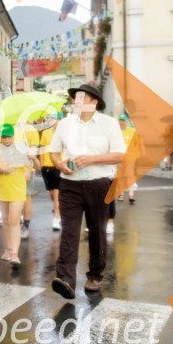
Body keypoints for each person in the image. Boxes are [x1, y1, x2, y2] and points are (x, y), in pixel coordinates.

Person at [49, 84, 126, 298]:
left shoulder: (108, 124)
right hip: (69, 183)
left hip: (99, 183)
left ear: (94, 103)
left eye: (82, 98)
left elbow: (120, 154)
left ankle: (95, 275)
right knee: (69, 232)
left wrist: (93, 159)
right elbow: (53, 152)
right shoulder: (64, 124)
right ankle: (66, 280)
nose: (77, 101)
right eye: (75, 98)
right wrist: (60, 164)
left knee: (97, 231)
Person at [0, 124, 38, 269]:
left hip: (18, 190)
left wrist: (33, 158)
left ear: (13, 136)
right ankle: (8, 249)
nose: (6, 140)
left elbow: (37, 167)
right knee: (6, 220)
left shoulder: (22, 149)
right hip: (2, 189)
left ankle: (15, 253)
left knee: (14, 220)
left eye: (8, 137)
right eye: (3, 137)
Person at [15, 121, 41, 239]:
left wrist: (28, 169)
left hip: (26, 169)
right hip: (12, 169)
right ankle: (16, 224)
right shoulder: (9, 127)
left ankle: (26, 225)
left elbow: (33, 153)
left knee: (26, 198)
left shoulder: (31, 130)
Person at [39, 112, 62, 231]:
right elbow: (42, 149)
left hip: (57, 165)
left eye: (56, 119)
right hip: (46, 167)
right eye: (52, 119)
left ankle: (56, 218)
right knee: (51, 194)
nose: (54, 122)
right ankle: (58, 207)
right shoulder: (45, 133)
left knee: (57, 193)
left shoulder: (63, 133)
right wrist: (42, 164)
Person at [117, 114, 141, 206]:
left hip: (130, 158)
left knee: (130, 176)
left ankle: (131, 195)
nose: (122, 122)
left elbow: (137, 145)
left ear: (126, 121)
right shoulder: (116, 132)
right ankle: (121, 194)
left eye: (123, 121)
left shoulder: (132, 131)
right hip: (119, 158)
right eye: (120, 120)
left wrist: (136, 156)